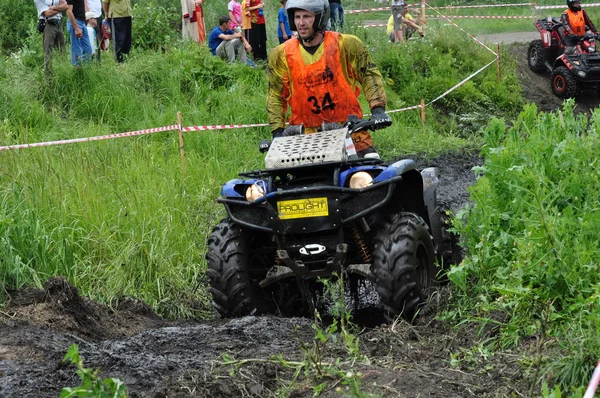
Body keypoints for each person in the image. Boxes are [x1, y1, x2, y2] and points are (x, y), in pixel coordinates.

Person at [267, 0, 391, 158]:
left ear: (320, 18)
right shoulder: (281, 54)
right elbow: (276, 94)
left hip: (350, 133)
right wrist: (277, 131)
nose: (301, 23)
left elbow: (369, 75)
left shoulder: (346, 44)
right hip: (305, 139)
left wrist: (378, 110)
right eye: (297, 17)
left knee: (370, 174)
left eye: (307, 16)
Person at [34, 0, 68, 77]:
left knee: (62, 51)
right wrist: (60, 9)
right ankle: (48, 78)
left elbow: (66, 5)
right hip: (49, 25)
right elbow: (47, 13)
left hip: (59, 24)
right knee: (48, 52)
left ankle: (64, 74)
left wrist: (54, 8)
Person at [66, 0, 93, 66]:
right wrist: (76, 28)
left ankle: (86, 71)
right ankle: (76, 71)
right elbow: (69, 11)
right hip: (76, 22)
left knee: (88, 50)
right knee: (76, 49)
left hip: (83, 22)